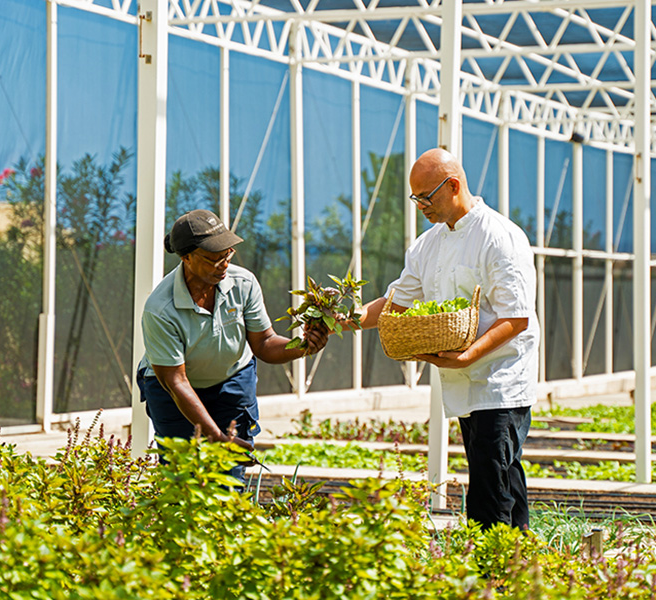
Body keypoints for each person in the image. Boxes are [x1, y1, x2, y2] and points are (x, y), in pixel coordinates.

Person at [354, 148, 540, 530]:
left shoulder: (500, 237)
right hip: (462, 377)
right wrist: (342, 320)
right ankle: (519, 565)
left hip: (499, 380)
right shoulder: (429, 244)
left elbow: (516, 317)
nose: (420, 205)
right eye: (416, 197)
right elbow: (397, 303)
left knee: (492, 488)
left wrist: (469, 355)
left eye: (426, 196)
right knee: (501, 478)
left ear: (453, 186)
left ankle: (493, 574)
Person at [136, 209, 329, 484]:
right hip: (172, 391)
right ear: (186, 258)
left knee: (229, 478)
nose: (224, 264)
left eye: (227, 254)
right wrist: (214, 436)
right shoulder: (161, 308)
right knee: (181, 476)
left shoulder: (243, 283)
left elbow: (263, 343)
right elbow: (176, 382)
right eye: (214, 258)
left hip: (231, 379)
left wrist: (303, 346)